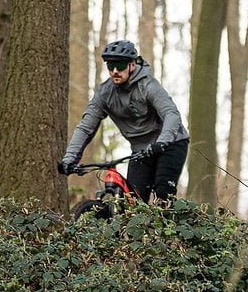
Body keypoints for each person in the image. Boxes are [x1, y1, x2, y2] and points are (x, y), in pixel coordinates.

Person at [58, 39, 189, 204]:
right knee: (132, 201)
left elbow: (171, 114)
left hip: (171, 143)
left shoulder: (148, 86)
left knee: (162, 194)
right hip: (141, 150)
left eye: (119, 66)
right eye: (110, 66)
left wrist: (162, 142)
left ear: (132, 65)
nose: (114, 71)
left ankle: (171, 228)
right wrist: (69, 159)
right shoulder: (105, 94)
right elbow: (85, 127)